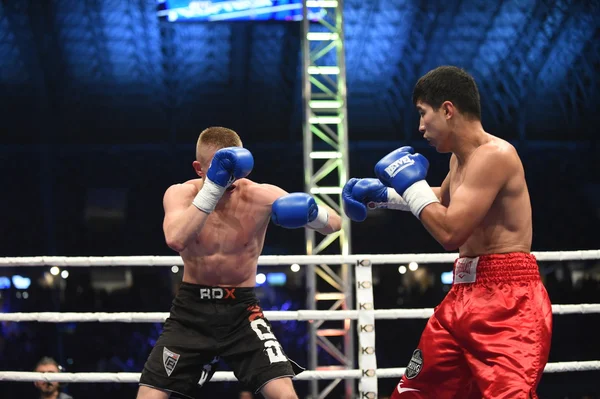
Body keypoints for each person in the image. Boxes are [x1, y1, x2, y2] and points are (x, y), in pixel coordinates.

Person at [343, 66, 552, 398]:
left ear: (448, 109)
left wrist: (410, 186)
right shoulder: (460, 161)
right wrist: (384, 196)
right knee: (415, 392)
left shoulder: (495, 155)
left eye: (423, 114)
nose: (420, 127)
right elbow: (442, 198)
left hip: (508, 301)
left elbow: (451, 230)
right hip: (462, 296)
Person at [137, 126, 342, 399]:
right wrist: (213, 187)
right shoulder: (180, 194)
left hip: (242, 311)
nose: (227, 178)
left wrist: (314, 214)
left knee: (285, 395)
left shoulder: (261, 195)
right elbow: (176, 239)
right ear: (199, 168)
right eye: (219, 169)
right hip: (191, 312)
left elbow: (335, 224)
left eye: (232, 170)